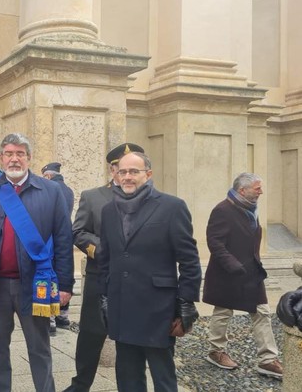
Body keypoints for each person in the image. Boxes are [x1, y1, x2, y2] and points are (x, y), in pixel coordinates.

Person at [0, 133, 74, 392]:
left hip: (36, 285)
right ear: (1, 158)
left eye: (20, 154)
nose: (14, 159)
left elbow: (63, 239)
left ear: (29, 158)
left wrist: (66, 284)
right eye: (9, 154)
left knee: (39, 348)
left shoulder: (51, 191)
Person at [97, 151, 201, 392]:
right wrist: (104, 296)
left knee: (163, 378)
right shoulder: (108, 211)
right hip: (122, 306)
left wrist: (186, 303)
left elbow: (189, 260)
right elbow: (105, 260)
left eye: (134, 171)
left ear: (148, 174)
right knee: (127, 377)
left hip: (158, 308)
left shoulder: (172, 207)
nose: (127, 177)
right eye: (122, 172)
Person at [62, 143, 143, 392]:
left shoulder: (150, 198)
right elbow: (78, 231)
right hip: (101, 277)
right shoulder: (93, 196)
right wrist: (103, 248)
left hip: (136, 280)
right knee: (91, 335)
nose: (126, 174)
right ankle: (80, 384)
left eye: (133, 168)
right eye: (121, 167)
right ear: (112, 169)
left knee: (131, 340)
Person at [202, 173, 283, 379]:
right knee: (223, 311)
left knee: (262, 312)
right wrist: (233, 265)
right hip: (228, 273)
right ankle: (216, 351)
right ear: (242, 190)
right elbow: (215, 243)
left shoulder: (251, 209)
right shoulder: (222, 210)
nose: (261, 192)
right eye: (257, 188)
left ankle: (267, 360)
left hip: (251, 273)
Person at [41, 162, 75, 335]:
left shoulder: (50, 189)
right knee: (63, 273)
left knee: (49, 274)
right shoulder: (68, 190)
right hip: (64, 235)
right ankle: (63, 315)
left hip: (50, 239)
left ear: (48, 176)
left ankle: (51, 318)